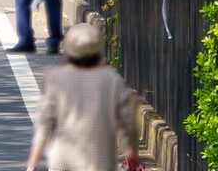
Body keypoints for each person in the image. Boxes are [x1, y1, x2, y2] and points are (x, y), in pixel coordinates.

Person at [24, 23, 141, 171]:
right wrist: (131, 152)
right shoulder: (111, 80)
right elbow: (127, 121)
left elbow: (45, 123)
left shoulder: (56, 78)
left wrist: (32, 164)